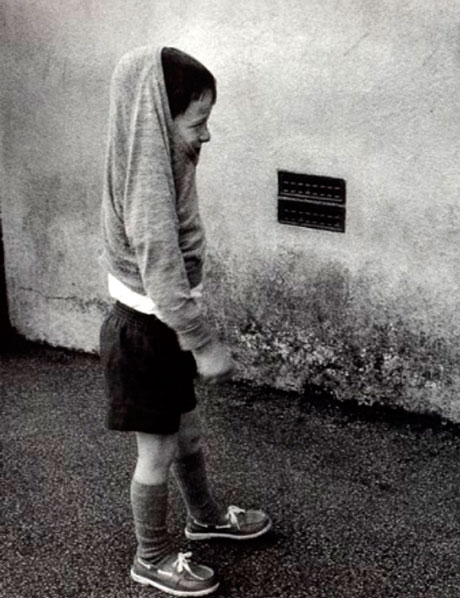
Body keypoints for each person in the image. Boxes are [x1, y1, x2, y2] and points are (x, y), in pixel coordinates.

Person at [98, 46, 271, 597]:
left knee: (186, 432)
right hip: (147, 333)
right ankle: (150, 557)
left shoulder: (159, 160)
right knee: (157, 453)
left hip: (159, 327)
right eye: (198, 122)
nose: (207, 135)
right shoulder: (148, 180)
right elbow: (161, 267)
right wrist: (204, 342)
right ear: (158, 117)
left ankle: (205, 517)